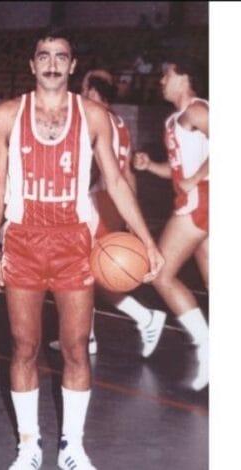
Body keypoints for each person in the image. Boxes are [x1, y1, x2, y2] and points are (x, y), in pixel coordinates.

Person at [0, 28, 163, 470]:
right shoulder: (7, 115)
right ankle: (29, 445)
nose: (52, 64)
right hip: (22, 239)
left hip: (73, 242)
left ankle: (72, 447)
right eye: (43, 56)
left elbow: (115, 181)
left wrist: (147, 240)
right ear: (32, 64)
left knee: (77, 347)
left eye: (60, 56)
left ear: (72, 64)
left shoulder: (94, 115)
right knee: (24, 347)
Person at [48, 69, 167, 358]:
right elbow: (127, 174)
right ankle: (86, 335)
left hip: (97, 202)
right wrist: (130, 216)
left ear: (92, 92)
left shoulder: (92, 118)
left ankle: (141, 318)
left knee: (80, 270)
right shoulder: (120, 123)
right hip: (113, 204)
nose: (80, 93)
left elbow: (95, 168)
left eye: (83, 88)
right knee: (93, 271)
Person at [133, 56, 209, 391]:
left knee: (161, 273)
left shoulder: (197, 110)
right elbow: (177, 172)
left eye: (166, 74)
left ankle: (207, 348)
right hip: (196, 200)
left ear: (184, 77)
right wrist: (150, 166)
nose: (161, 80)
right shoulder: (174, 120)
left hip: (201, 201)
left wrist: (197, 177)